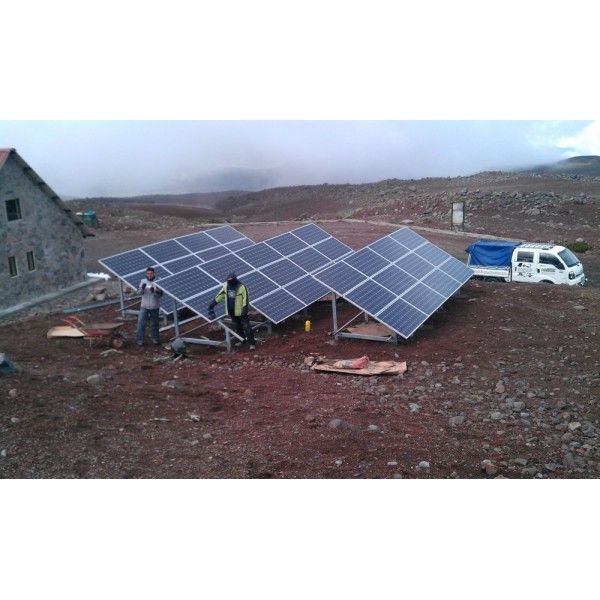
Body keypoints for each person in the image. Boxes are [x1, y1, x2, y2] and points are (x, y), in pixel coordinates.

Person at [208, 272, 256, 350]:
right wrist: (213, 303)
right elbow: (221, 295)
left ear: (234, 279)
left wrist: (245, 309)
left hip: (241, 311)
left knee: (247, 327)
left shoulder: (242, 287)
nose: (230, 280)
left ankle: (252, 343)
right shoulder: (226, 286)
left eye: (231, 279)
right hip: (231, 311)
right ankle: (242, 341)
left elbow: (246, 299)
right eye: (228, 279)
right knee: (237, 327)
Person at [136, 267, 163, 346]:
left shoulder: (158, 281)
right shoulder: (142, 281)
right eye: (148, 274)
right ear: (146, 274)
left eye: (151, 273)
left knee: (154, 324)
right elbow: (138, 293)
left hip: (154, 307)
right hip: (144, 306)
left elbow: (160, 295)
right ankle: (140, 340)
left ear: (154, 274)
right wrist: (142, 288)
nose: (149, 275)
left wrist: (154, 291)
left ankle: (155, 339)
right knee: (141, 323)